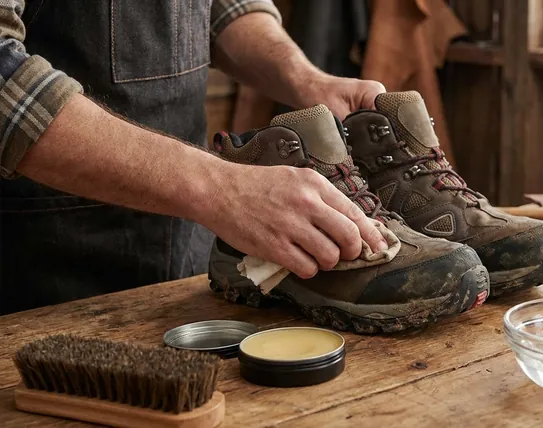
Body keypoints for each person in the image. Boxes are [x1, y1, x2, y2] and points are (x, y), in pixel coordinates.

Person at [0, 0, 389, 314]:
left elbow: (219, 7)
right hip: (39, 275)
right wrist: (222, 189)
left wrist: (309, 82)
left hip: (187, 257)